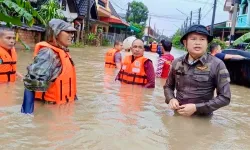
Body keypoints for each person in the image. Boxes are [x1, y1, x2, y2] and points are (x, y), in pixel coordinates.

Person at [164, 24, 231, 116]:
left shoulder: (218, 65)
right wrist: (171, 99)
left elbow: (225, 97)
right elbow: (168, 86)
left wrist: (196, 108)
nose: (198, 42)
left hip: (202, 119)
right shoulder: (177, 63)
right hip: (178, 115)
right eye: (193, 39)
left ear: (207, 43)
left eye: (202, 39)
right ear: (185, 42)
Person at [23, 18, 77, 107]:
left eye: (72, 33)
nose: (72, 35)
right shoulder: (48, 54)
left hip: (62, 107)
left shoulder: (62, 52)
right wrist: (27, 113)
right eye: (68, 32)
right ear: (56, 33)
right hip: (49, 109)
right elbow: (32, 85)